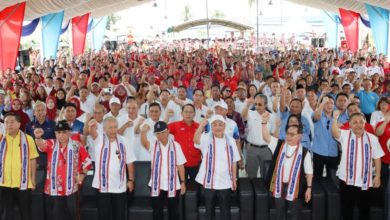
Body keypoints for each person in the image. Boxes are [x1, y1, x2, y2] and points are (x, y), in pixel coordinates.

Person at [34, 120, 92, 220]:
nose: (61, 135)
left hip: (71, 189)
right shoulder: (51, 143)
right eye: (58, 132)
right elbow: (41, 145)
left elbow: (88, 161)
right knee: (56, 216)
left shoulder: (77, 145)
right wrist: (38, 137)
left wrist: (82, 175)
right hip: (53, 189)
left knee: (72, 215)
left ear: (70, 132)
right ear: (55, 134)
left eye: (64, 132)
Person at [332, 112, 384, 220]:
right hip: (346, 180)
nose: (358, 125)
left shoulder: (372, 138)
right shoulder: (345, 134)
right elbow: (335, 133)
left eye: (361, 122)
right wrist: (335, 119)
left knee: (364, 210)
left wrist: (378, 175)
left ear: (365, 123)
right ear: (349, 124)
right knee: (347, 210)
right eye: (355, 122)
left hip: (365, 181)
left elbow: (377, 157)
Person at [261, 111, 313, 220]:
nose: (288, 136)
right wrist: (264, 123)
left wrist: (309, 188)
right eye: (287, 133)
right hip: (279, 186)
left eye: (292, 134)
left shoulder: (305, 152)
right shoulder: (279, 144)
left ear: (299, 136)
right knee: (279, 214)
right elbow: (266, 137)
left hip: (296, 187)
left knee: (295, 215)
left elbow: (309, 173)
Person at [88, 116, 136, 220]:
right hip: (102, 187)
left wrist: (131, 180)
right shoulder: (98, 139)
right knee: (103, 216)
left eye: (115, 127)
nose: (113, 130)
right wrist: (91, 123)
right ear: (104, 129)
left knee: (119, 216)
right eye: (110, 127)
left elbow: (130, 162)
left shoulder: (124, 141)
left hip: (119, 187)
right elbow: (91, 130)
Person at [194, 115, 240, 220]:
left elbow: (234, 162)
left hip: (225, 182)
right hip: (209, 181)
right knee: (209, 210)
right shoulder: (206, 138)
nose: (218, 127)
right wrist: (201, 126)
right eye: (214, 125)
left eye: (220, 125)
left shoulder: (231, 141)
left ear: (224, 126)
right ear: (211, 126)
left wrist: (234, 179)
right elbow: (196, 141)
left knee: (225, 211)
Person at [140, 121, 186, 220]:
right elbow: (144, 142)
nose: (161, 135)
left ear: (168, 131)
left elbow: (180, 165)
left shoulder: (176, 145)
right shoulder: (153, 145)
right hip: (157, 185)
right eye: (158, 133)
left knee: (173, 212)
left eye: (163, 132)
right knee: (157, 212)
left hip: (173, 185)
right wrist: (143, 132)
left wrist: (183, 182)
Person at [0, 112, 39, 220]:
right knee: (5, 214)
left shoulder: (28, 139)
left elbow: (33, 159)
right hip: (4, 183)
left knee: (25, 213)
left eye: (12, 122)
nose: (8, 125)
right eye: (6, 122)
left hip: (23, 184)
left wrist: (33, 179)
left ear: (19, 124)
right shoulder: (1, 138)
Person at [242, 93, 275, 178]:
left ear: (266, 105)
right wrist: (247, 105)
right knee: (251, 176)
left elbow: (273, 134)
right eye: (255, 104)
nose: (257, 106)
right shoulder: (250, 113)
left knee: (266, 175)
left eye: (260, 104)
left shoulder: (271, 117)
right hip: (252, 149)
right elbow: (243, 116)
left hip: (266, 150)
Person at [168, 104, 201, 181]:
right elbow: (162, 130)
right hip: (181, 164)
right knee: (181, 189)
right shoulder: (175, 125)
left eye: (190, 112)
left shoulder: (199, 127)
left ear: (194, 114)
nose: (188, 114)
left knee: (198, 188)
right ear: (181, 113)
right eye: (186, 112)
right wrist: (167, 116)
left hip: (196, 163)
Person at [311, 96, 339, 180]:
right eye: (327, 103)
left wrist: (335, 119)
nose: (329, 105)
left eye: (331, 103)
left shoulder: (337, 117)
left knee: (332, 178)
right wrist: (322, 103)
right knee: (317, 177)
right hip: (318, 151)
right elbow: (316, 117)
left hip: (333, 152)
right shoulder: (317, 113)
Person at [25, 101, 56, 169]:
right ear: (34, 112)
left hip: (50, 160)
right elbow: (26, 143)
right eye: (38, 110)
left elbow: (57, 142)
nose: (40, 112)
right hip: (35, 161)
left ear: (46, 111)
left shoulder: (53, 124)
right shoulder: (28, 126)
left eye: (42, 110)